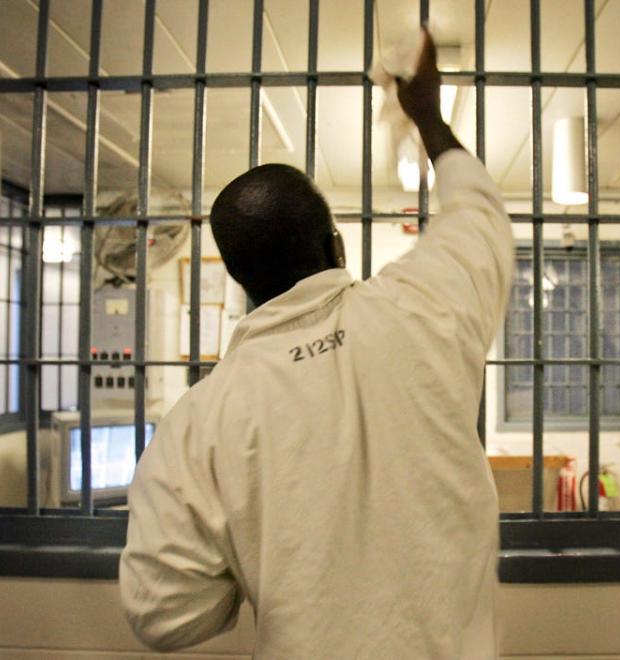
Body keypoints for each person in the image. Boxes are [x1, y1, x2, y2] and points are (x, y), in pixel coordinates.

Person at [119, 29, 514, 659]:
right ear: (337, 248)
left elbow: (163, 614)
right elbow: (480, 215)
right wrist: (427, 117)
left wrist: (256, 554)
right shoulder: (426, 304)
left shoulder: (199, 423)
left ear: (241, 282)